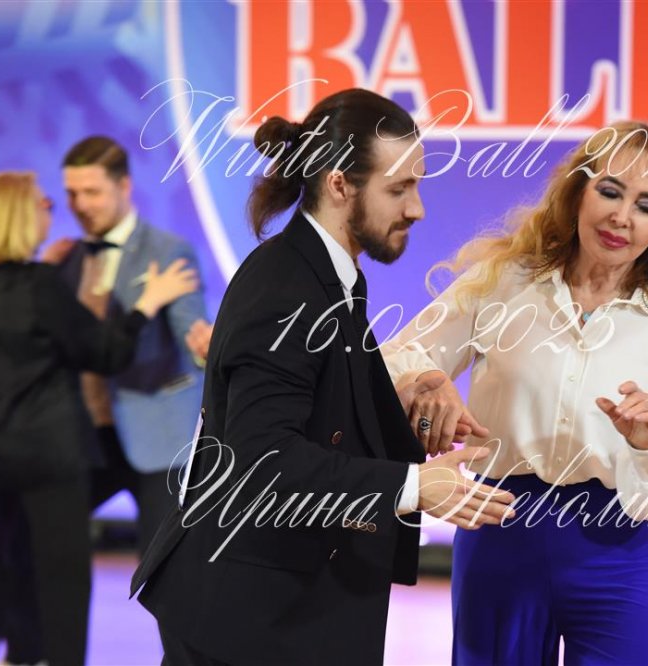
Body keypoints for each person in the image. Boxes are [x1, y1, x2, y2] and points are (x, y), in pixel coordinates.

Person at [131, 88, 517, 666]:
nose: (417, 209)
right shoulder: (285, 289)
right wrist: (415, 486)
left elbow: (312, 406)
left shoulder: (330, 275)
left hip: (284, 607)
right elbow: (265, 461)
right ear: (340, 184)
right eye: (399, 189)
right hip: (249, 621)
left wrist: (392, 400)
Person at [382, 121, 648, 665]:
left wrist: (646, 445)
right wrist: (427, 382)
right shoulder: (504, 283)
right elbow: (395, 356)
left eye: (647, 205)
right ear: (577, 192)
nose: (622, 217)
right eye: (609, 191)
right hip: (501, 526)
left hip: (620, 546)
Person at [0, 171, 197, 666]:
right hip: (46, 454)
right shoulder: (43, 286)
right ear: (19, 217)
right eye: (44, 203)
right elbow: (104, 353)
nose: (53, 209)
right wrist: (146, 303)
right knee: (61, 576)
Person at [47, 135, 210, 553]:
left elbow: (189, 324)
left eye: (92, 192)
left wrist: (203, 347)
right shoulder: (66, 257)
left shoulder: (167, 250)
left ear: (124, 186)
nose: (80, 204)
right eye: (72, 193)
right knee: (45, 543)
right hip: (88, 437)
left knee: (164, 567)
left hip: (158, 428)